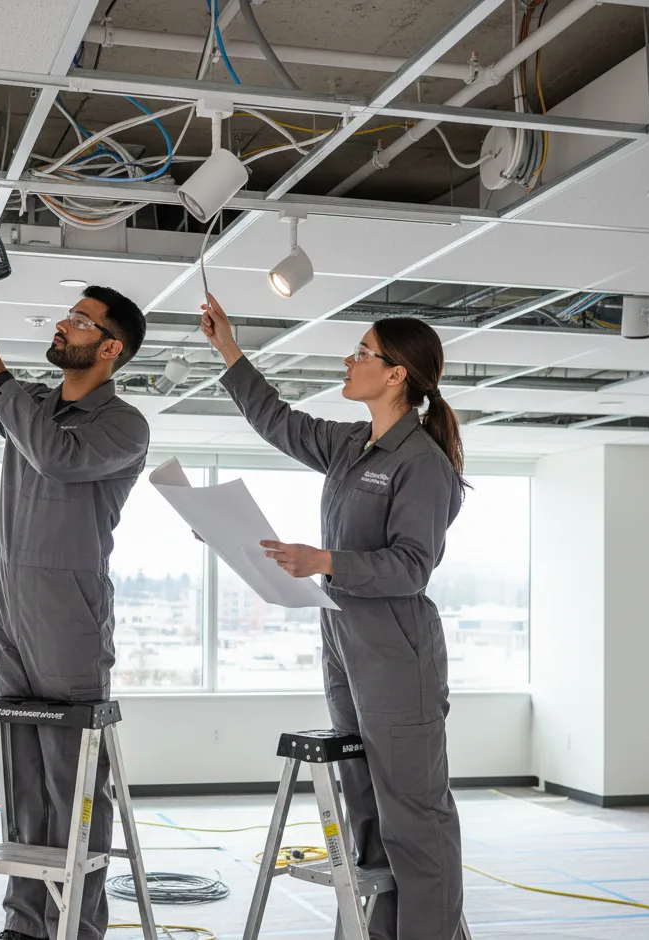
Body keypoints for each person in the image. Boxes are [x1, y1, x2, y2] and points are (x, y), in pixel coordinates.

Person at [200, 294, 465, 940]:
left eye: (362, 353)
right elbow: (279, 422)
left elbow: (410, 568)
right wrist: (229, 350)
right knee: (366, 808)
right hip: (345, 643)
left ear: (396, 373)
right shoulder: (351, 444)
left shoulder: (421, 464)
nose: (349, 361)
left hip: (398, 656)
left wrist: (325, 559)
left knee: (414, 818)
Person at [0, 239, 149, 940]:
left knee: (71, 778)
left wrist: (1, 381)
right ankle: (24, 925)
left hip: (68, 610)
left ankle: (75, 928)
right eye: (67, 316)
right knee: (18, 777)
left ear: (110, 350)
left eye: (80, 322)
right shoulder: (29, 405)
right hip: (10, 600)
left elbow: (54, 456)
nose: (63, 326)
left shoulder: (122, 425)